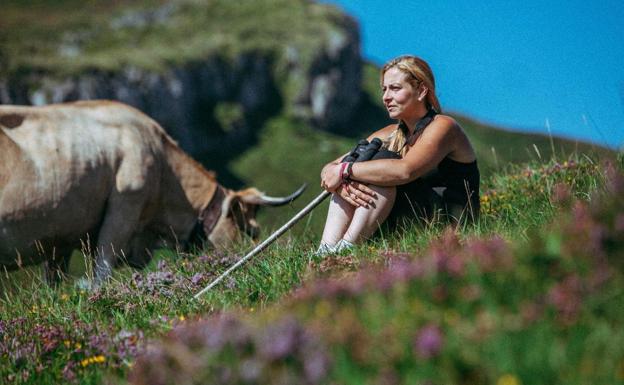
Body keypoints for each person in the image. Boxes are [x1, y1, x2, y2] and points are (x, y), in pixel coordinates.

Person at [317, 55, 480, 254]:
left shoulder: (444, 127)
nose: (386, 97)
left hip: (448, 225)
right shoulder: (389, 133)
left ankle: (346, 249)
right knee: (359, 163)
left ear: (421, 91)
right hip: (408, 221)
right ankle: (325, 251)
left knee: (378, 164)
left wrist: (344, 171)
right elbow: (330, 169)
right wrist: (342, 182)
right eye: (384, 89)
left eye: (395, 88)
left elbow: (404, 171)